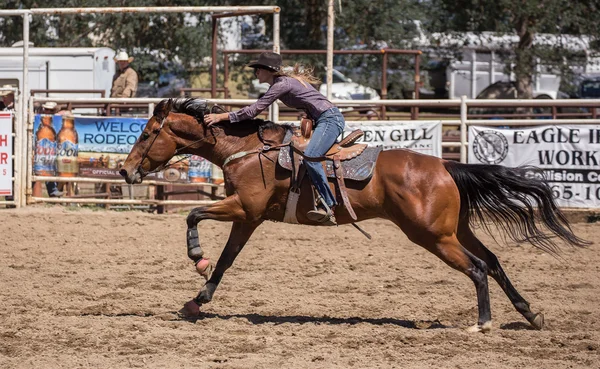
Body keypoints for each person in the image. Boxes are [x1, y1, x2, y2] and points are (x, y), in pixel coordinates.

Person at [205, 52, 345, 224]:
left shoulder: (281, 85)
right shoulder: (285, 83)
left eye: (259, 68)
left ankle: (329, 204)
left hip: (329, 120)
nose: (256, 72)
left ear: (269, 70)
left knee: (310, 157)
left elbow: (253, 111)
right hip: (325, 119)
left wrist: (222, 117)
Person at [40, 101, 63, 198]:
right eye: (47, 109)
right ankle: (53, 191)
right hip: (42, 147)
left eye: (51, 110)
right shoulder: (39, 118)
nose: (48, 112)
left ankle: (53, 191)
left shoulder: (57, 119)